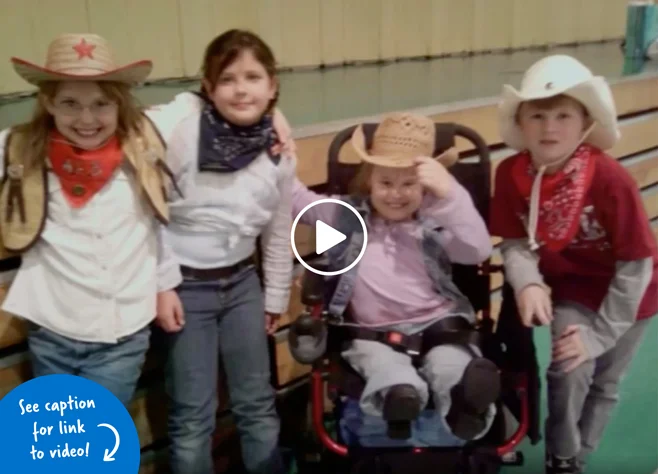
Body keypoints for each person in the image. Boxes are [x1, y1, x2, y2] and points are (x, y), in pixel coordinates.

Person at [490, 55, 658, 474]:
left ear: (584, 123)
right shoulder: (511, 173)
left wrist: (601, 336)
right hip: (574, 290)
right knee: (567, 370)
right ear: (522, 121)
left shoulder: (611, 179)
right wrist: (527, 282)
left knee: (605, 381)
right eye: (538, 114)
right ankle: (563, 456)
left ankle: (581, 455)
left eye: (563, 115)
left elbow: (636, 265)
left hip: (632, 293)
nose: (550, 127)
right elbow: (515, 242)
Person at [290, 112, 499, 443]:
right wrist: (279, 157)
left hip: (439, 326)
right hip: (372, 333)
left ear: (425, 186)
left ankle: (465, 406)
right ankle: (400, 398)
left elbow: (478, 250)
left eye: (408, 184)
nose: (396, 195)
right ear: (369, 180)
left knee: (451, 365)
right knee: (381, 367)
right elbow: (296, 200)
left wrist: (451, 194)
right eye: (385, 183)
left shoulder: (435, 222)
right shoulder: (346, 218)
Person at [154, 30, 295, 474]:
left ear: (272, 85)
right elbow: (150, 215)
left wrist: (274, 296)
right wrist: (161, 285)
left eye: (253, 77)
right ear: (208, 86)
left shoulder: (277, 151)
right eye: (227, 78)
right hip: (185, 288)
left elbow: (276, 231)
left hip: (242, 286)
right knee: (193, 415)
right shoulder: (182, 131)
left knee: (256, 402)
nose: (241, 89)